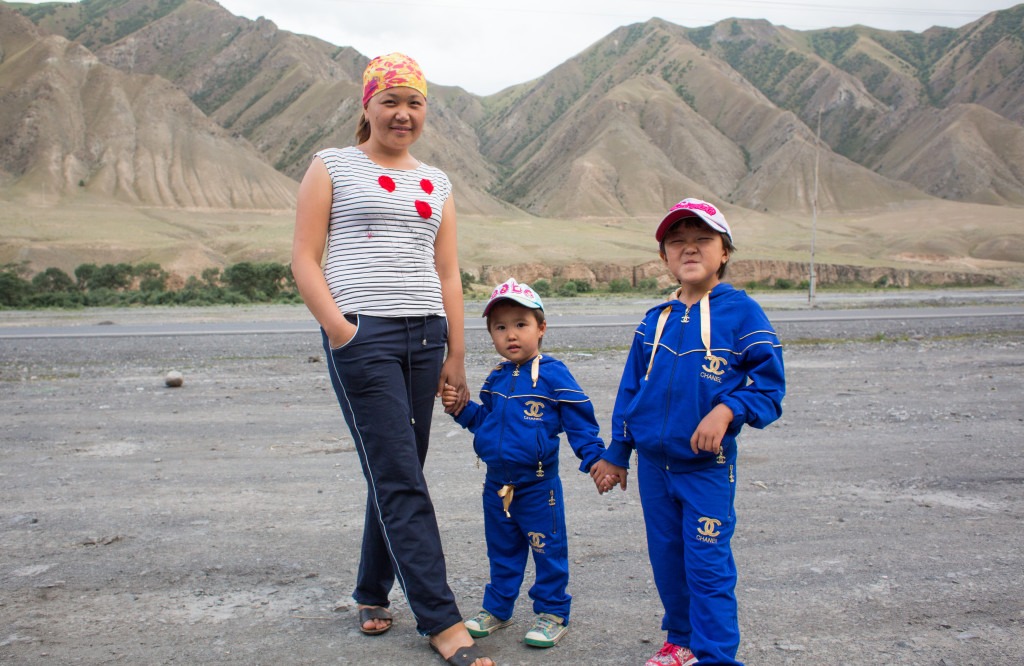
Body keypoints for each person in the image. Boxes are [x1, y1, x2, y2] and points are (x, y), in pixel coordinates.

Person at [291, 52, 492, 666]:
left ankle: (370, 589)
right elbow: (304, 257)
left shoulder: (438, 182)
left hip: (427, 336)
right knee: (402, 476)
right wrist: (341, 331)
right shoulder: (331, 166)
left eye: (414, 103)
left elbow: (449, 271)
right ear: (368, 104)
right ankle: (441, 620)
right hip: (365, 338)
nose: (403, 114)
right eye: (391, 101)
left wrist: (457, 352)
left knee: (398, 470)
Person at [594, 199, 786, 666]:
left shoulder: (741, 313)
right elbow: (631, 390)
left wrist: (728, 410)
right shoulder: (654, 319)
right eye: (677, 241)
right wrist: (618, 452)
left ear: (724, 252)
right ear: (664, 258)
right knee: (668, 562)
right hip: (653, 469)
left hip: (706, 469)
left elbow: (769, 385)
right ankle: (681, 640)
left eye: (702, 239)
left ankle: (717, 656)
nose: (689, 248)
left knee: (707, 566)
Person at [441, 278, 619, 649]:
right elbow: (484, 422)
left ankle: (553, 612)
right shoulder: (495, 377)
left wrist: (596, 462)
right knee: (502, 550)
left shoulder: (554, 375)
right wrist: (459, 407)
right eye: (500, 327)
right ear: (491, 334)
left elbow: (580, 423)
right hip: (497, 485)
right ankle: (498, 609)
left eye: (521, 324)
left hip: (538, 488)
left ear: (541, 328)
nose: (511, 335)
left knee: (546, 549)